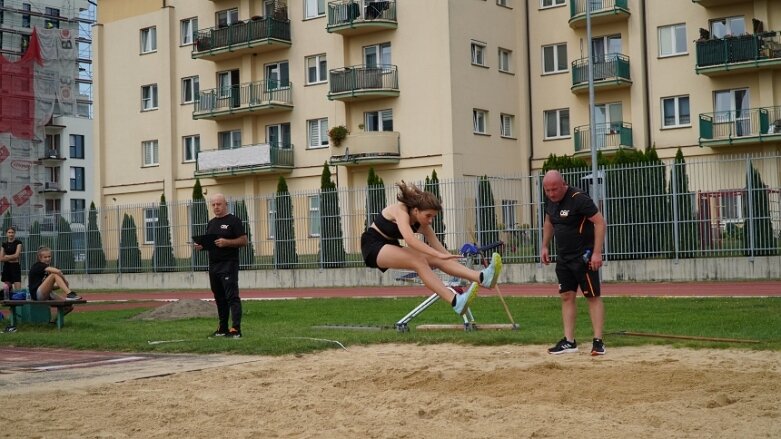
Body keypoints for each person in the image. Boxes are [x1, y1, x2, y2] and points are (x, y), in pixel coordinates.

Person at [361, 181, 503, 315]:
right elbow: (410, 239)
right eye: (428, 215)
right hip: (372, 245)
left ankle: (483, 277)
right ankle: (455, 301)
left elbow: (440, 251)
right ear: (416, 210)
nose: (430, 220)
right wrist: (439, 255)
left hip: (389, 245)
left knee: (433, 258)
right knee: (417, 260)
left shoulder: (424, 225)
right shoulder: (401, 211)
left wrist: (454, 260)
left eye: (433, 217)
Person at [541, 170, 606, 356]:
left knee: (592, 296)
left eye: (554, 189)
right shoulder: (551, 202)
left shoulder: (579, 198)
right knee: (567, 296)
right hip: (563, 258)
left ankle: (598, 342)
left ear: (563, 184)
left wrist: (596, 253)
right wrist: (545, 246)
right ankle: (569, 342)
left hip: (583, 257)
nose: (551, 194)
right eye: (547, 190)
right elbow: (548, 221)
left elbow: (600, 223)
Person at [194, 193, 247, 339]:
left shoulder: (233, 221)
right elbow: (211, 243)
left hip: (228, 264)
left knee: (232, 296)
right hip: (214, 265)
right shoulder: (211, 223)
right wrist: (201, 246)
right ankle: (222, 328)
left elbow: (243, 241)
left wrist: (227, 242)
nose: (216, 207)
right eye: (213, 205)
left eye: (219, 204)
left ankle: (236, 329)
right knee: (219, 297)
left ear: (225, 204)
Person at [28, 246, 82, 323]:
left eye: (49, 256)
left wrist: (60, 285)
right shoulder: (38, 265)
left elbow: (50, 287)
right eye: (45, 257)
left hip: (47, 294)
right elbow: (57, 272)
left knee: (69, 306)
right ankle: (70, 294)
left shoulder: (47, 269)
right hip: (36, 295)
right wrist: (64, 280)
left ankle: (53, 321)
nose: (48, 259)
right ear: (40, 258)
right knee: (54, 274)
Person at [1, 226, 23, 291]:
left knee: (18, 290)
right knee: (7, 290)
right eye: (9, 232)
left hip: (15, 267)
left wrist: (6, 256)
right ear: (6, 234)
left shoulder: (18, 243)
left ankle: (19, 301)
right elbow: (1, 258)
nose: (11, 234)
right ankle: (9, 300)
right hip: (6, 267)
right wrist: (12, 258)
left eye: (12, 232)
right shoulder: (4, 244)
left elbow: (17, 255)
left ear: (14, 233)